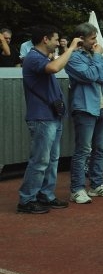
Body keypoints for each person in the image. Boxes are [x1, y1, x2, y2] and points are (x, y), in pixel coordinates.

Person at [16, 26, 82, 214]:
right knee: (40, 160)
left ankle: (45, 195)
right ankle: (27, 200)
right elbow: (54, 68)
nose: (58, 42)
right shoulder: (33, 57)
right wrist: (71, 48)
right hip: (41, 117)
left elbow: (54, 65)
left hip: (51, 115)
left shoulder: (42, 57)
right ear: (45, 39)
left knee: (52, 160)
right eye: (56, 39)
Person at [66, 22, 103, 204]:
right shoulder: (73, 57)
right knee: (83, 150)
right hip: (85, 108)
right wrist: (97, 59)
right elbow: (89, 76)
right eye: (92, 38)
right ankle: (77, 189)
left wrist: (96, 69)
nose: (96, 42)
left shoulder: (95, 56)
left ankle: (97, 185)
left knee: (100, 149)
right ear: (81, 39)